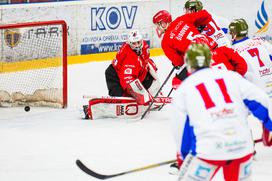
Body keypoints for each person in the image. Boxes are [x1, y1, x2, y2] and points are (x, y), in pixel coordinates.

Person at [169, 43, 272, 181]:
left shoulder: (183, 89)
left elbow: (180, 129)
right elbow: (262, 100)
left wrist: (183, 158)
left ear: (188, 63)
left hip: (208, 150)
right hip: (241, 145)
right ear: (210, 60)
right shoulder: (231, 77)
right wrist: (269, 128)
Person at [229, 18, 272, 148]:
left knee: (238, 114)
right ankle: (268, 130)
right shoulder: (261, 41)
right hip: (270, 84)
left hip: (255, 90)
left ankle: (246, 144)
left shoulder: (233, 50)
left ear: (235, 33)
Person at [104, 29, 160, 105]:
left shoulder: (145, 46)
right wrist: (142, 96)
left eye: (138, 42)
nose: (137, 45)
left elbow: (145, 60)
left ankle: (153, 93)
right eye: (134, 43)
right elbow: (128, 79)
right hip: (115, 76)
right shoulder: (130, 57)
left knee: (149, 77)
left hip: (136, 73)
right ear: (129, 43)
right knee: (121, 99)